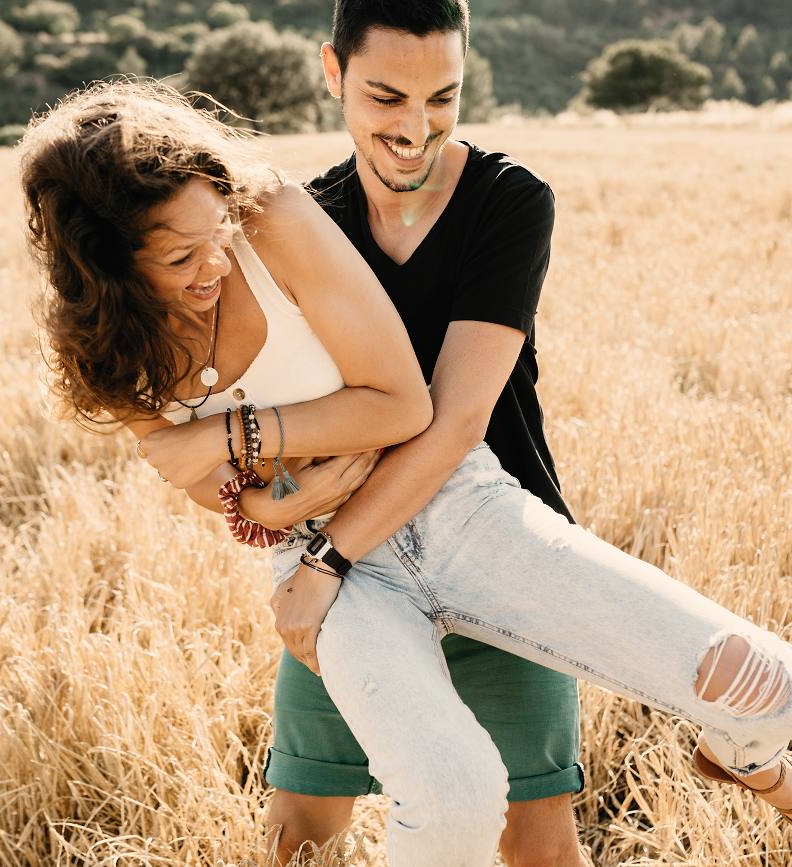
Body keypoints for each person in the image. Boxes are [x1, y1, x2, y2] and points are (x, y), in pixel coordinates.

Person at [17, 80, 792, 867]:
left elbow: (401, 408)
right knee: (455, 797)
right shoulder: (102, 350)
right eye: (177, 260)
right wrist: (286, 490)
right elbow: (232, 502)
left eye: (216, 236)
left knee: (778, 694)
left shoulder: (265, 211)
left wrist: (237, 439)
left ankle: (741, 757)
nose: (213, 266)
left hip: (456, 508)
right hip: (342, 584)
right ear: (106, 268)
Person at [259, 3, 589, 865]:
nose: (417, 129)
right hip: (358, 576)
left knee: (540, 845)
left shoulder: (509, 202)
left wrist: (320, 564)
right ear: (332, 73)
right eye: (385, 97)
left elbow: (457, 419)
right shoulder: (304, 222)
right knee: (298, 829)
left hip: (500, 554)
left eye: (443, 97)